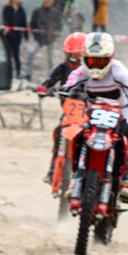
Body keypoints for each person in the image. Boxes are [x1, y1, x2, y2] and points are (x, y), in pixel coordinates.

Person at [59, 32, 128, 204]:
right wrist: (65, 90)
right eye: (92, 60)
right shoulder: (81, 72)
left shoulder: (118, 70)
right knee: (75, 133)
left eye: (101, 60)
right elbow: (69, 83)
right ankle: (75, 176)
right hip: (93, 114)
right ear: (84, 58)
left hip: (121, 112)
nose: (97, 65)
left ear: (110, 58)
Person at [34, 31, 89, 181]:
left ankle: (91, 170)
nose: (75, 59)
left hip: (90, 112)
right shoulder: (62, 68)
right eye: (72, 56)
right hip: (70, 111)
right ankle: (52, 170)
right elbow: (50, 80)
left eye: (78, 56)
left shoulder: (91, 69)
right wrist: (43, 88)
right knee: (59, 132)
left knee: (92, 136)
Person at [25, 0, 63, 81]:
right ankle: (28, 74)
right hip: (38, 38)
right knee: (31, 51)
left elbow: (59, 26)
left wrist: (52, 37)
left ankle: (50, 76)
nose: (49, 1)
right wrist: (37, 36)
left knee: (51, 57)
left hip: (50, 39)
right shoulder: (37, 11)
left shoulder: (56, 13)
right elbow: (32, 24)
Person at [2, 0, 27, 83]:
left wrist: (26, 35)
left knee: (16, 54)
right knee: (8, 55)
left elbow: (24, 23)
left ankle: (18, 73)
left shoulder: (21, 9)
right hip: (8, 35)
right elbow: (5, 19)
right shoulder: (6, 8)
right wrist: (7, 27)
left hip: (17, 36)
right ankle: (8, 73)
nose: (14, 0)